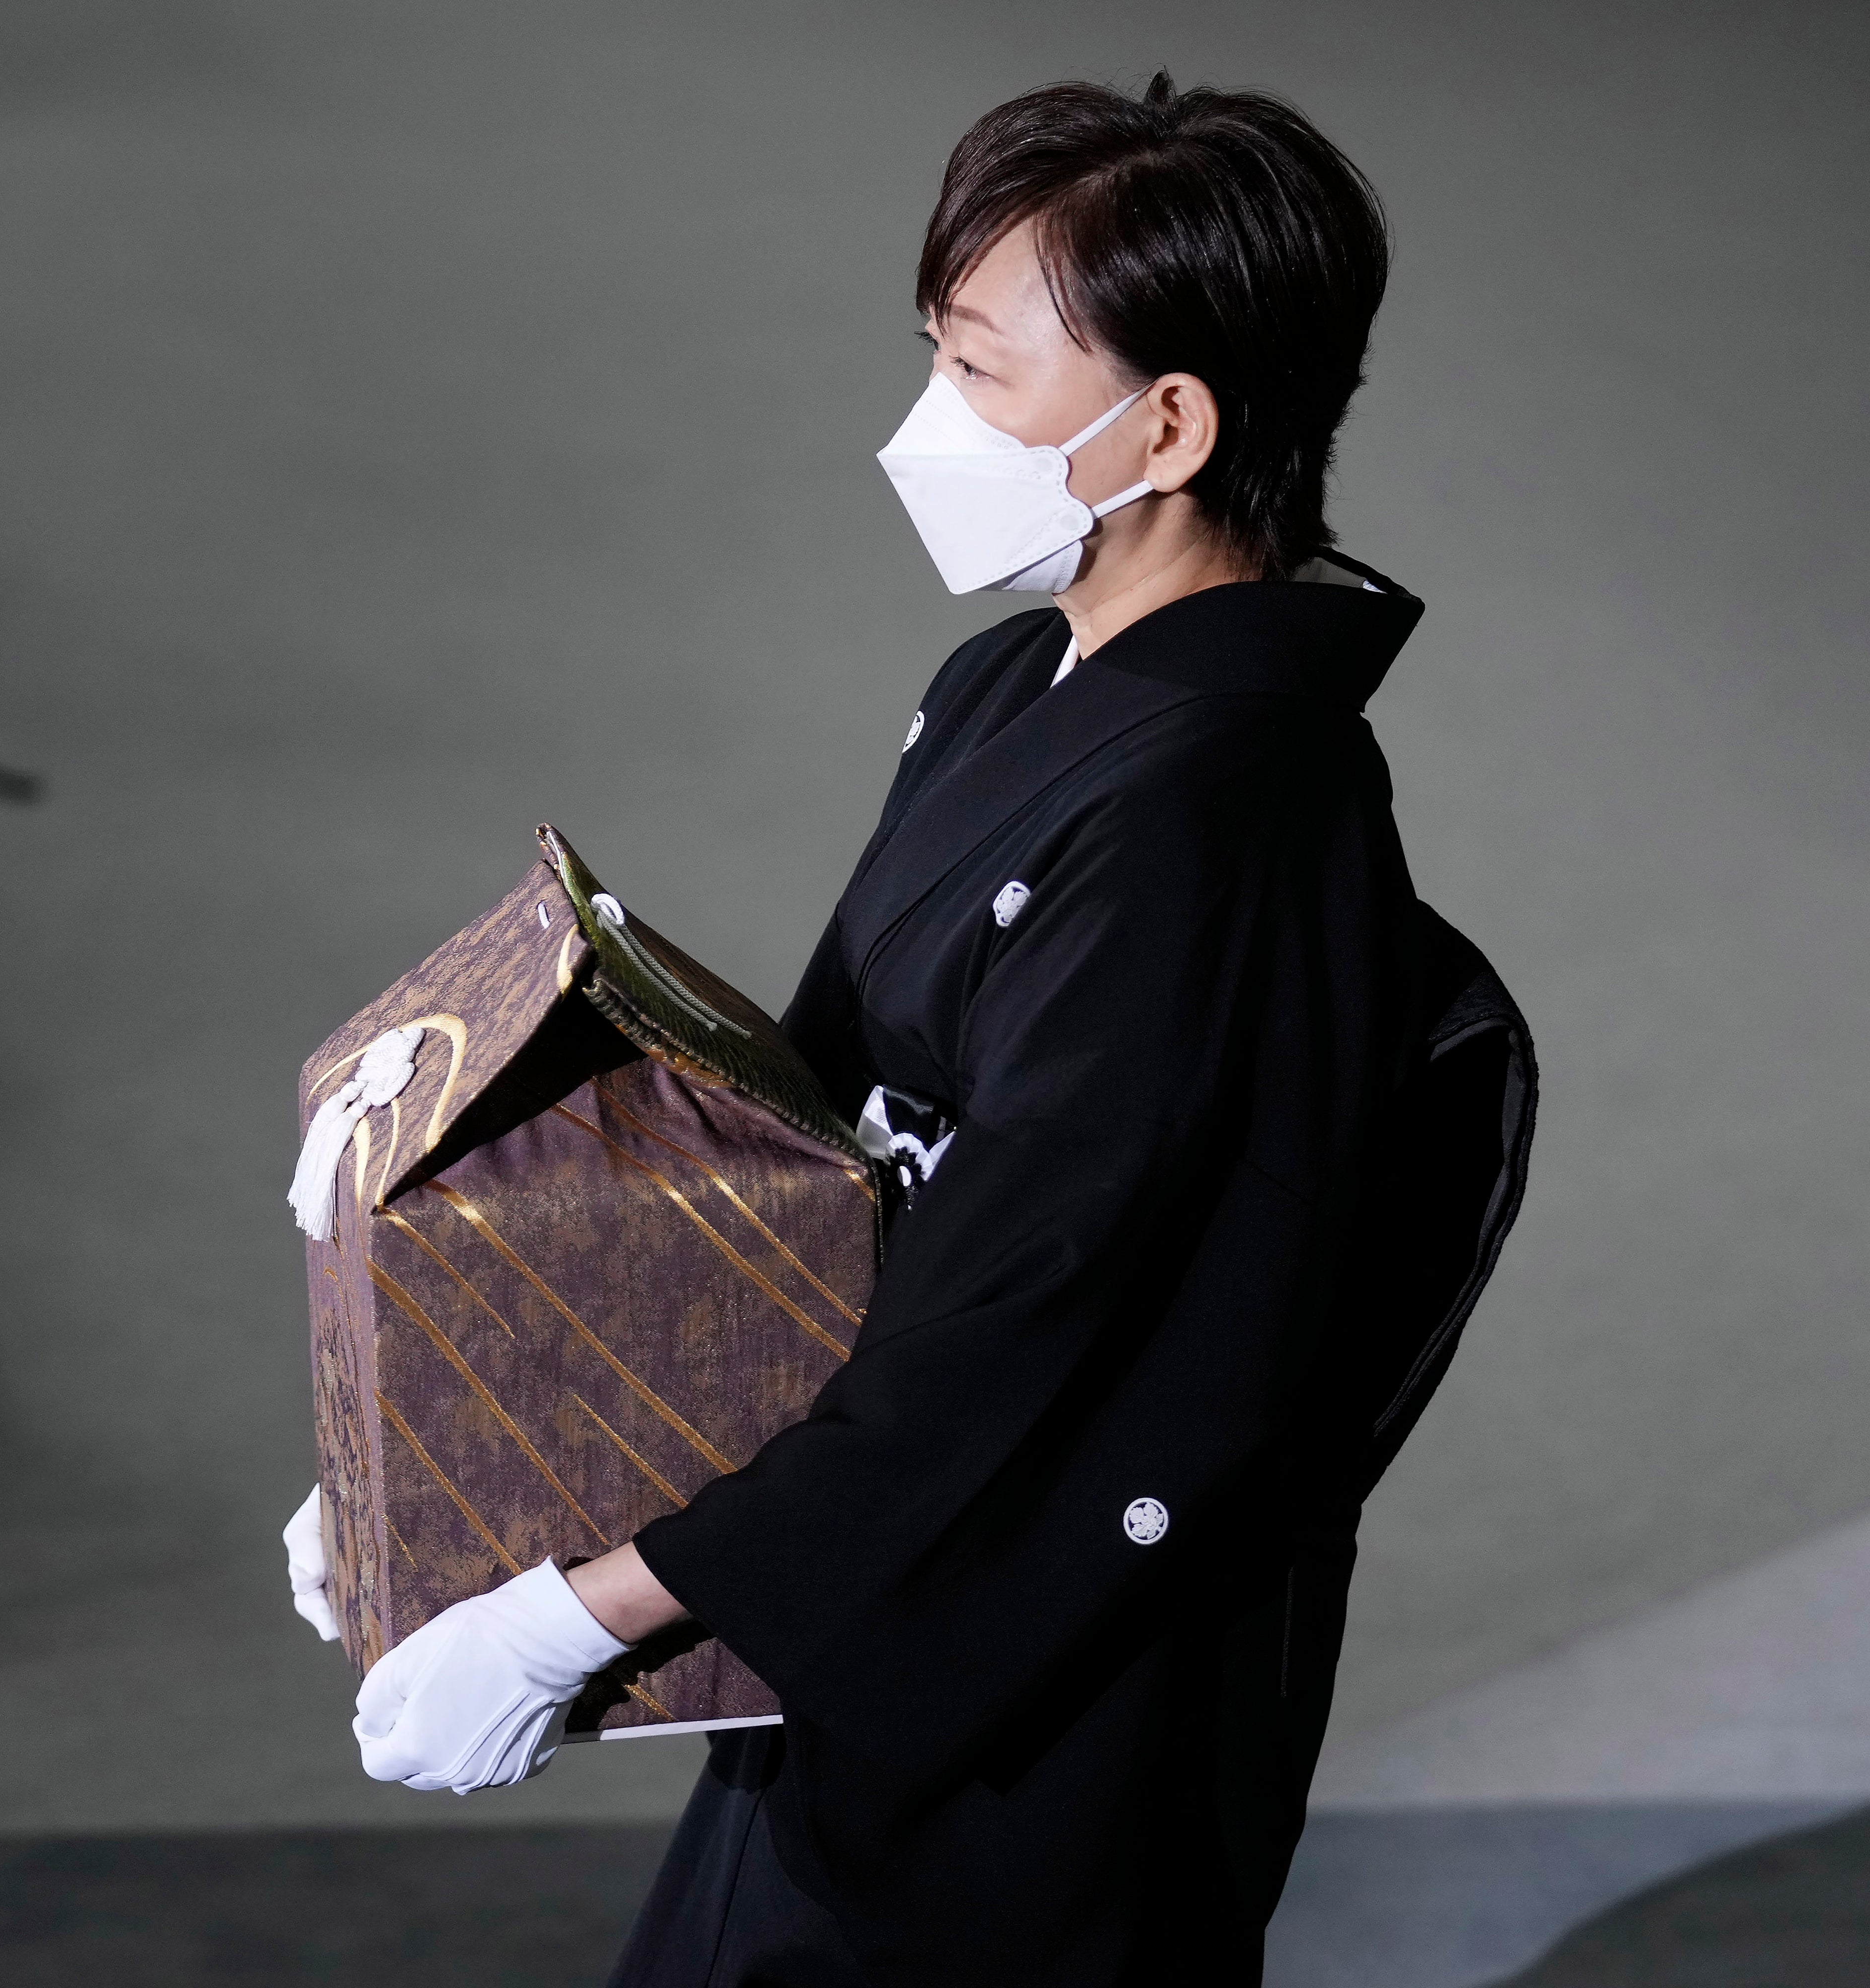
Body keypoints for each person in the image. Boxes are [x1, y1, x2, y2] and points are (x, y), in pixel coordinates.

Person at [334, 73, 1444, 1985]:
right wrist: (451, 1449)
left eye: (983, 374)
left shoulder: (1217, 813)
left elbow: (1017, 1337)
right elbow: (803, 1152)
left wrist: (575, 1612)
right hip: (866, 1568)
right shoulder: (1015, 679)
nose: (929, 427)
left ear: (1164, 426)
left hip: (1046, 1664)